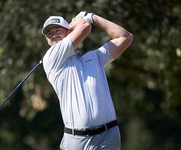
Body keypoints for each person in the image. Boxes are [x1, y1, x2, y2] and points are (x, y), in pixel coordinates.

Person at [41, 11, 133, 150]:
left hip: (107, 136)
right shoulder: (51, 58)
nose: (53, 35)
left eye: (57, 30)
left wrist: (93, 17)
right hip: (76, 141)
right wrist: (80, 21)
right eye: (49, 34)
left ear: (69, 32)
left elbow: (125, 37)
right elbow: (85, 27)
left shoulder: (94, 57)